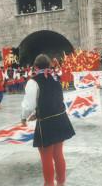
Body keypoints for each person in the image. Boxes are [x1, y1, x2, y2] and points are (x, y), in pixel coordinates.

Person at [21, 54, 75, 186]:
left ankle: (49, 183)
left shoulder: (33, 81)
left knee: (46, 158)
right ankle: (61, 183)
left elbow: (29, 105)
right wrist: (37, 114)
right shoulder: (56, 78)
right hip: (60, 118)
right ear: (50, 65)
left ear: (35, 66)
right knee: (58, 154)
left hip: (47, 122)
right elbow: (52, 100)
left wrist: (24, 117)